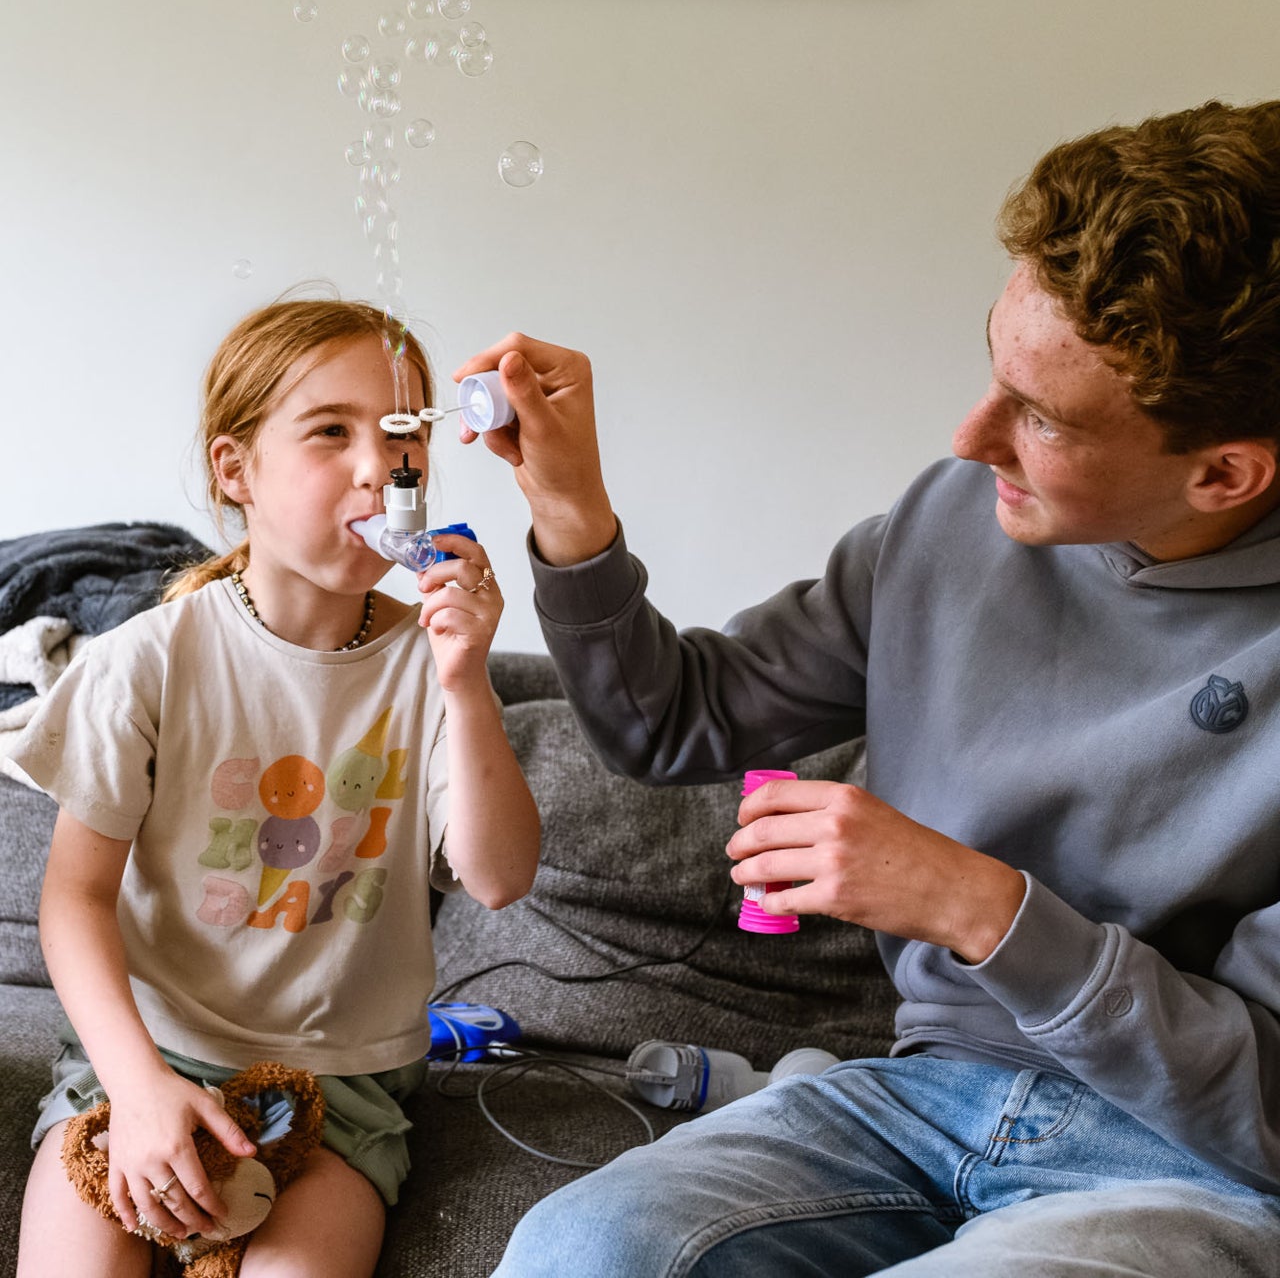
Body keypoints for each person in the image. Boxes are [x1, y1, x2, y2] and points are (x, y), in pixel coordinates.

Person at [457, 99, 1280, 1275]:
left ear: (1222, 471)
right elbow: (672, 720)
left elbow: (1264, 1101)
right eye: (991, 367)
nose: (967, 435)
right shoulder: (952, 522)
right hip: (917, 1095)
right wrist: (571, 512)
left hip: (1186, 1163)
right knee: (576, 1246)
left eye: (1037, 417)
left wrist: (979, 908)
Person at [11, 298, 541, 1278]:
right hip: (140, 1062)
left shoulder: (429, 666)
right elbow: (73, 900)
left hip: (340, 1091)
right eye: (329, 431)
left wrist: (465, 678)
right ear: (234, 469)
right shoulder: (150, 663)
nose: (375, 464)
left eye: (397, 436)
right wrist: (135, 1088)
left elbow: (499, 875)